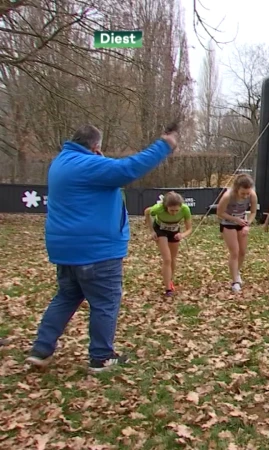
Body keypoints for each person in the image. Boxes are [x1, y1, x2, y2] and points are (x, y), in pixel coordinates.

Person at [26, 123, 178, 372]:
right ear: (96, 146)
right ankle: (101, 356)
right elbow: (129, 168)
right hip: (95, 251)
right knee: (106, 302)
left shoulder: (62, 162)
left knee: (66, 296)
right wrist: (164, 145)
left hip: (66, 250)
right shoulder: (87, 165)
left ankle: (41, 349)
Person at [144, 192, 193, 297]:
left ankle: (169, 279)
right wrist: (152, 231)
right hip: (160, 229)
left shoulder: (185, 209)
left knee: (173, 258)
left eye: (176, 210)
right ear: (166, 207)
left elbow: (189, 229)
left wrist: (182, 235)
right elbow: (147, 212)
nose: (174, 213)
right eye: (171, 210)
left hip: (174, 231)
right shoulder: (158, 208)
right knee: (167, 259)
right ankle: (168, 289)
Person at [217, 174, 258, 293]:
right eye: (243, 193)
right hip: (228, 223)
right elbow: (220, 213)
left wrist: (247, 224)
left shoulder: (252, 195)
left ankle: (237, 271)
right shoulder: (228, 196)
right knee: (234, 252)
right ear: (236, 189)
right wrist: (235, 219)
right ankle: (235, 281)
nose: (246, 196)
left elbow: (253, 212)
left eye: (247, 193)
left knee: (242, 252)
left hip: (242, 223)